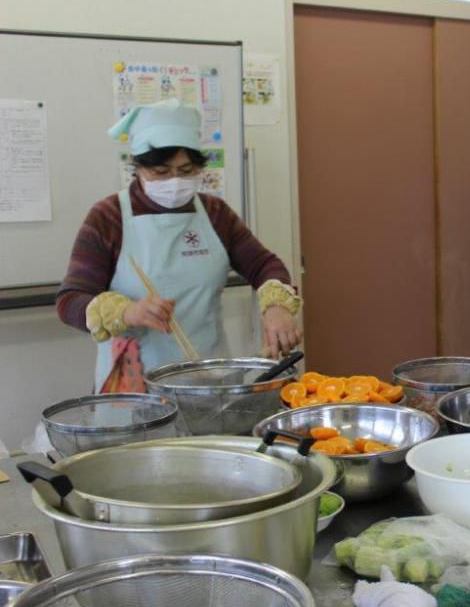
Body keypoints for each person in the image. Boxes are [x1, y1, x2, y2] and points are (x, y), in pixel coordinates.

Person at [57, 99, 302, 392]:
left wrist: (276, 306)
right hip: (134, 384)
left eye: (186, 170)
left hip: (208, 376)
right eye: (161, 172)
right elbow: (70, 300)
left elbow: (264, 265)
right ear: (137, 167)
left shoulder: (214, 213)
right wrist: (126, 313)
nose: (174, 181)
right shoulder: (109, 217)